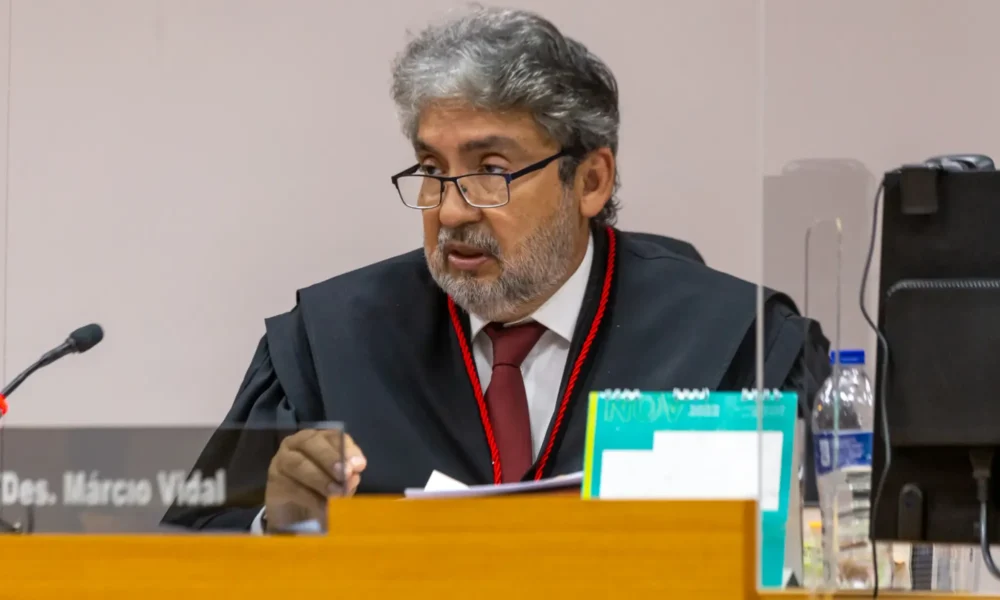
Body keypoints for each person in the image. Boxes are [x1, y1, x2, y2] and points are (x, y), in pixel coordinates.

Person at [162, 7, 829, 533]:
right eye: (431, 169)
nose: (450, 210)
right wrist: (275, 523)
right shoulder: (331, 345)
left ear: (590, 181)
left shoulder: (736, 345)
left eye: (492, 171)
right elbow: (186, 553)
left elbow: (832, 549)